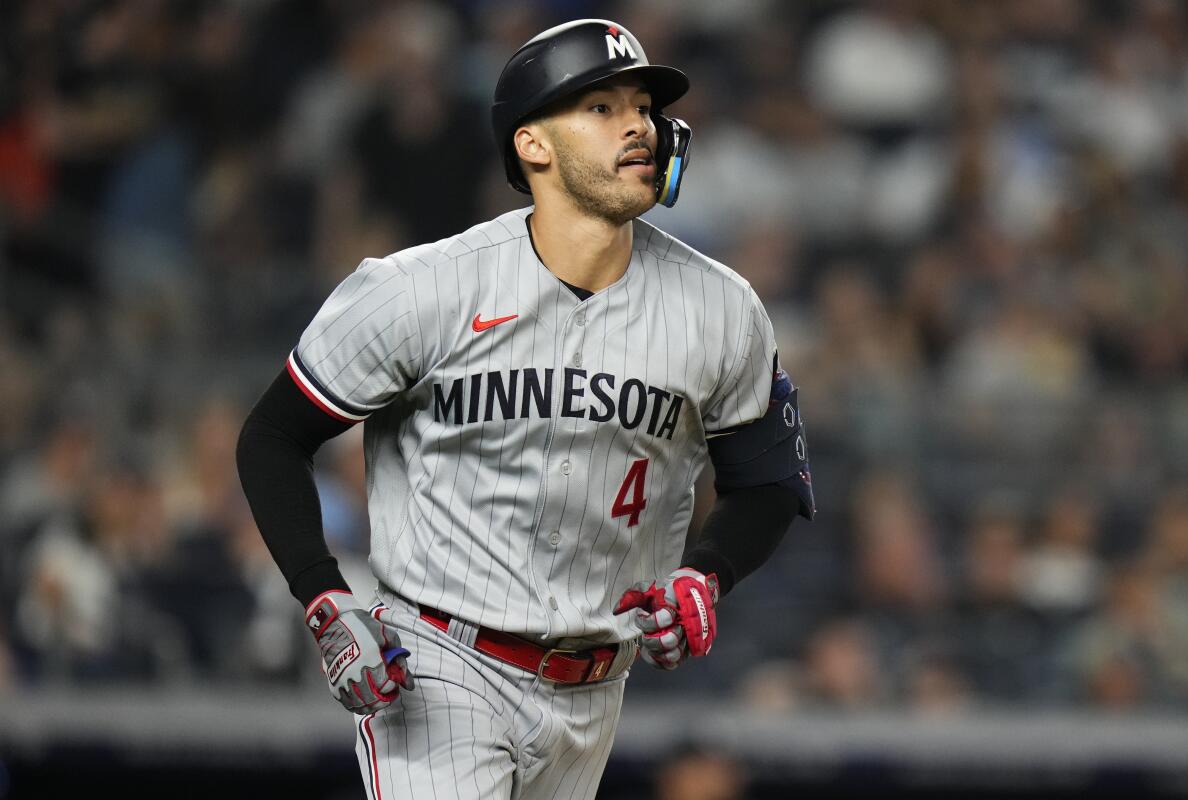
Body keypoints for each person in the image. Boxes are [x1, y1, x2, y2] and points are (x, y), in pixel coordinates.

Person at [236, 18, 814, 800]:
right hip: (437, 665)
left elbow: (769, 482)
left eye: (642, 106)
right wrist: (323, 591)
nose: (638, 124)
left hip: (595, 684)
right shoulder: (424, 289)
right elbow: (274, 435)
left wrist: (708, 576)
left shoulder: (722, 308)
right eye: (601, 109)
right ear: (534, 146)